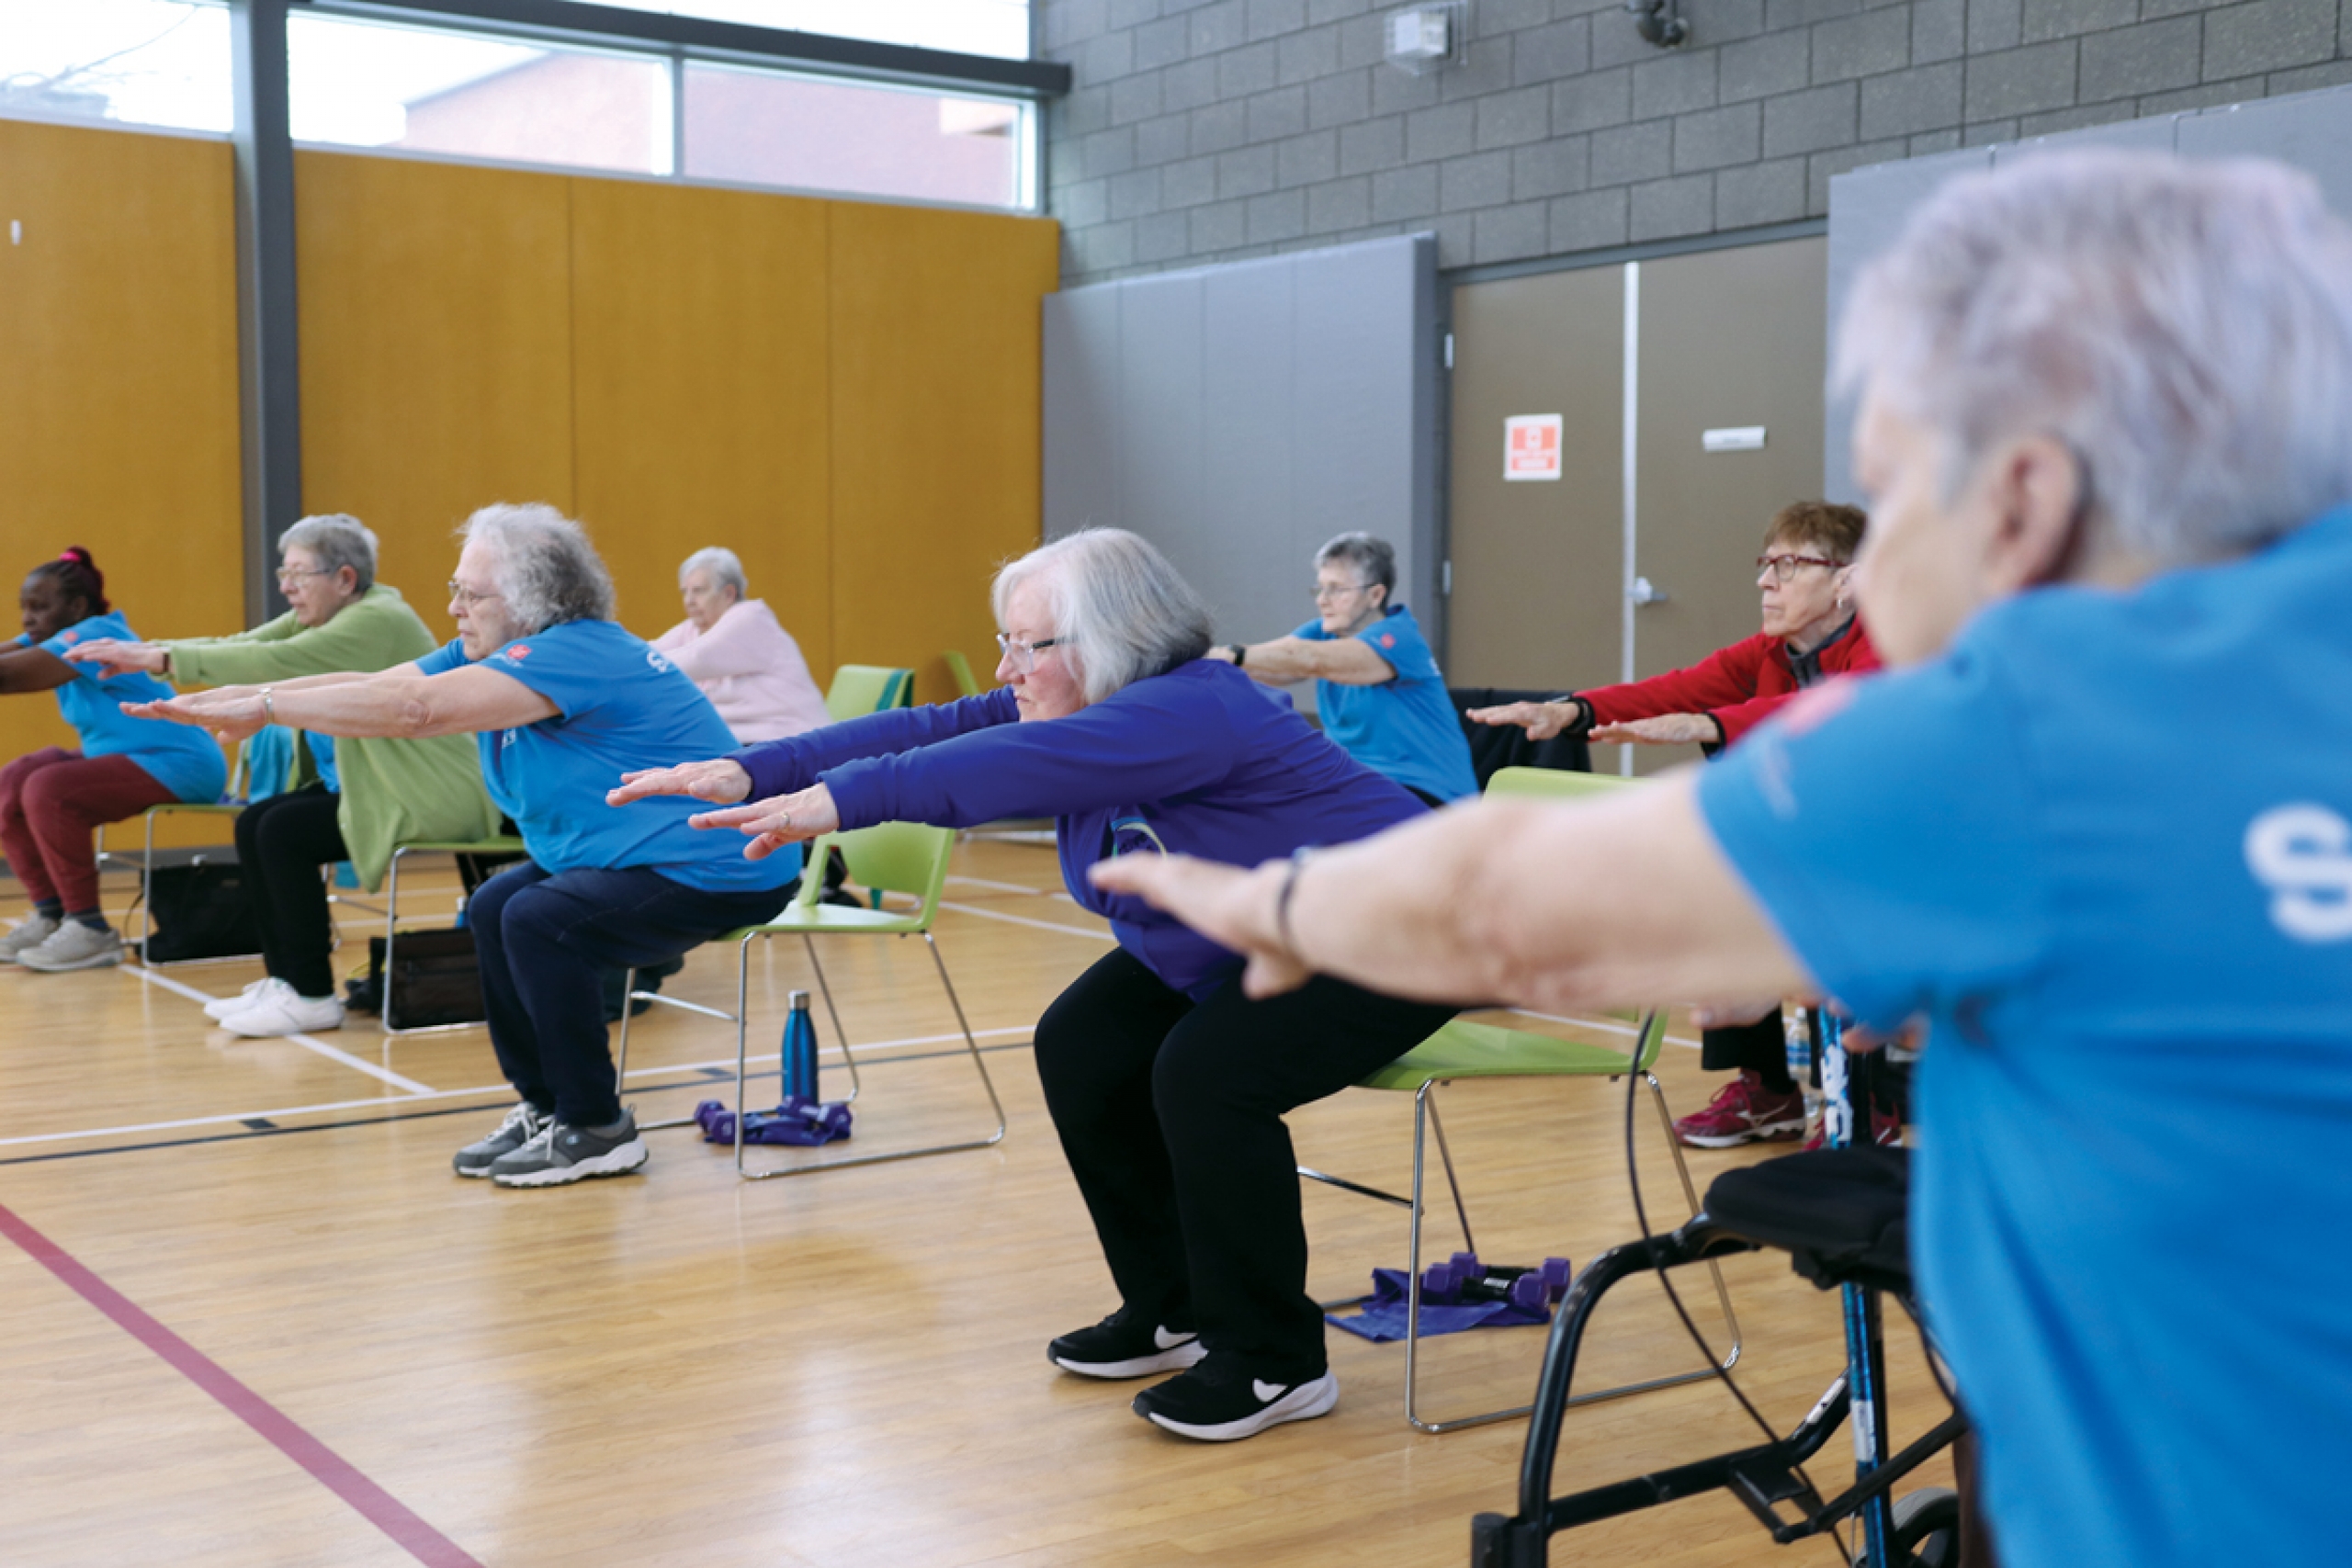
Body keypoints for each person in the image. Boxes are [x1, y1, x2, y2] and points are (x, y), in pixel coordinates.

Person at [1092, 151, 2352, 1568]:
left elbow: (1513, 900)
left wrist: (1278, 897)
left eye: (1895, 486)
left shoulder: (2023, 724)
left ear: (2024, 490)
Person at [610, 527, 1458, 1441]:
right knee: (1084, 1044)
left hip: (1393, 932)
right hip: (1252, 931)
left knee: (1208, 1075)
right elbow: (933, 726)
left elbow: (987, 768)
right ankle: (1171, 1305)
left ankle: (1273, 1361)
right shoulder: (1075, 705)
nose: (1007, 667)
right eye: (1006, 641)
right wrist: (756, 765)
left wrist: (838, 802)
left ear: (1111, 642)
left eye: (1029, 645)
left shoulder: (1192, 709)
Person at [130, 503, 797, 1188]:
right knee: (494, 903)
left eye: (469, 593)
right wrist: (249, 694)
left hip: (722, 863)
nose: (452, 606)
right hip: (633, 856)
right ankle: (547, 1108)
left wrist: (266, 707)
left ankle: (597, 1128)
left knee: (540, 918)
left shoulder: (577, 651)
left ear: (533, 598)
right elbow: (383, 686)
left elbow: (418, 712)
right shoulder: (505, 650)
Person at [1468, 501, 1886, 1150]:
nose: (1765, 581)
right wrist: (1571, 712)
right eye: (1766, 563)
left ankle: (1867, 1105)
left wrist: (1714, 724)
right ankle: (1769, 1089)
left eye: (1789, 564)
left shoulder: (1888, 642)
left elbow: (1842, 712)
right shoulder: (1770, 650)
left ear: (1847, 581)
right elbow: (1677, 688)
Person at [69, 514, 498, 1036]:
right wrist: (157, 656)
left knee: (280, 832)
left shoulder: (377, 620)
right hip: (373, 787)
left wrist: (159, 657)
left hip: (432, 790)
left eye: (299, 573)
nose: (285, 586)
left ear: (344, 579)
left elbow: (271, 660)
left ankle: (312, 993)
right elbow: (241, 643)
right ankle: (289, 981)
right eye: (282, 572)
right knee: (259, 821)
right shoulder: (320, 619)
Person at [0, 548, 228, 971]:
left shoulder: (94, 635)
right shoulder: (54, 638)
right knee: (13, 780)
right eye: (24, 609)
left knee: (48, 789)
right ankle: (51, 916)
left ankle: (89, 928)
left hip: (179, 761)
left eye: (39, 607)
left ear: (76, 607)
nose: (28, 619)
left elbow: (8, 675)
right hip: (126, 757)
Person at [1208, 532, 1476, 805]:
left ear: (1375, 595)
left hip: (1425, 793)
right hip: (1359, 785)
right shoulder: (1324, 632)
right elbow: (1272, 666)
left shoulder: (1398, 637)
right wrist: (1205, 662)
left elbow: (1309, 659)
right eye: (1320, 588)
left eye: (1336, 589)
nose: (1322, 600)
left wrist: (1229, 656)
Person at [650, 547, 831, 743]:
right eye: (685, 592)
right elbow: (648, 653)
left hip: (794, 743)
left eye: (699, 591)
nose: (689, 601)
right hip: (744, 746)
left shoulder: (752, 619)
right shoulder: (693, 628)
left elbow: (696, 658)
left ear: (729, 594)